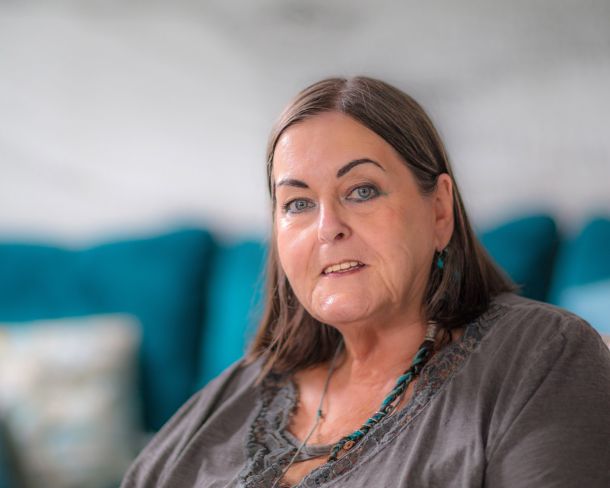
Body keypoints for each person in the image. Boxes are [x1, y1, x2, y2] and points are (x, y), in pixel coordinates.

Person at [121, 77, 610, 487]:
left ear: (439, 210)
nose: (327, 227)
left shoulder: (544, 355)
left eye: (361, 191)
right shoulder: (236, 394)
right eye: (298, 203)